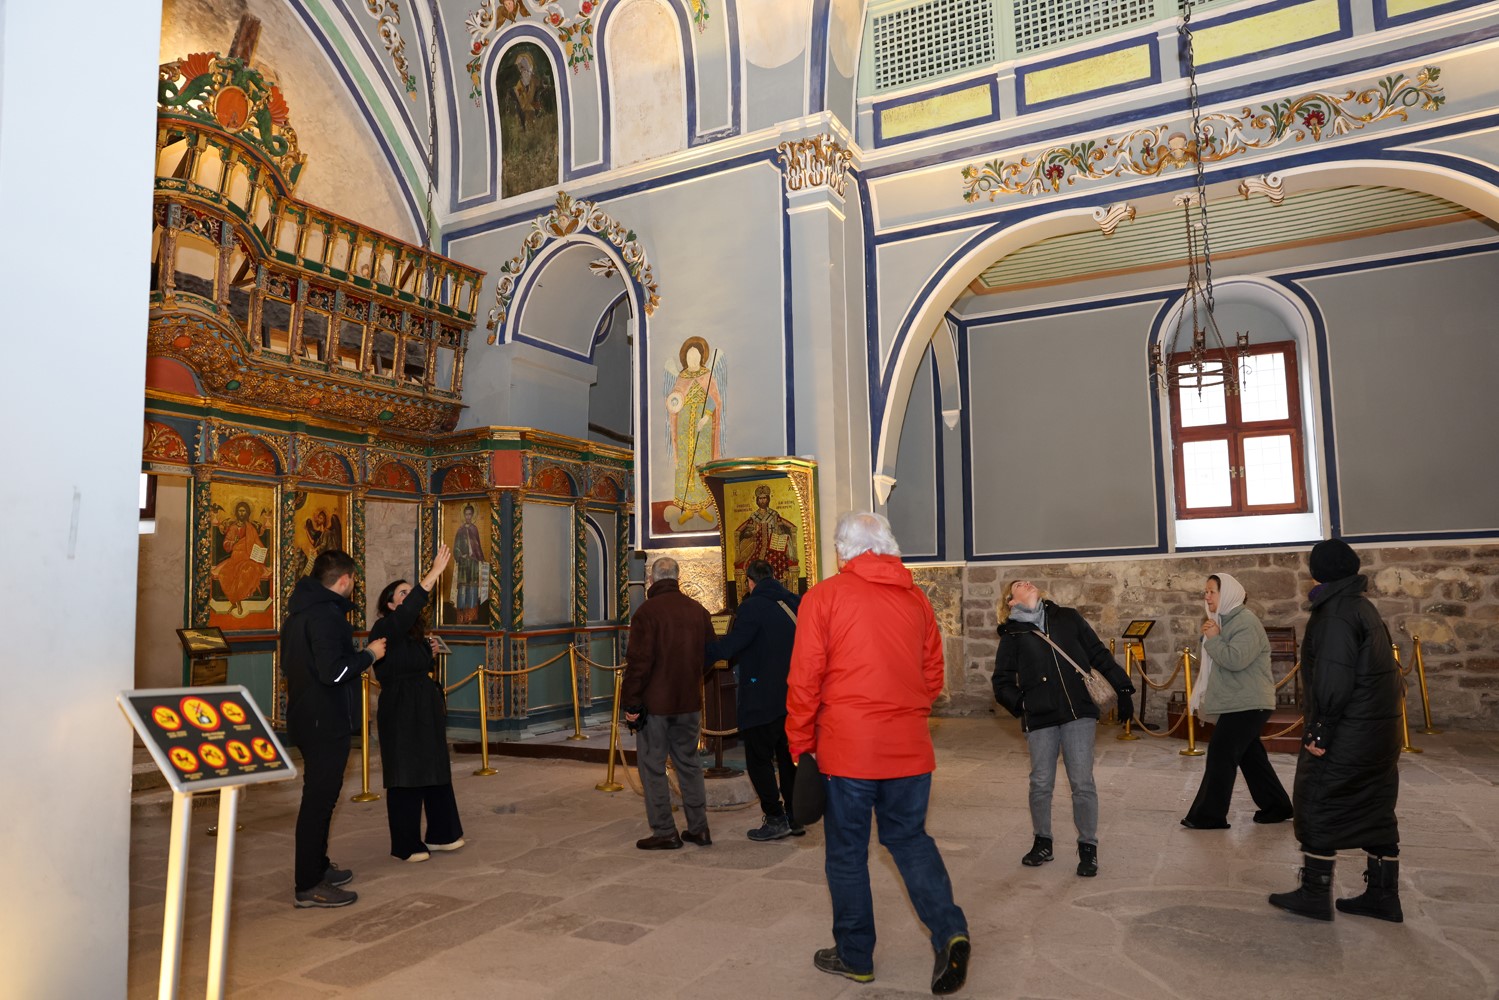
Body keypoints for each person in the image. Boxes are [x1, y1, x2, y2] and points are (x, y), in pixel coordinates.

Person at [786, 512, 970, 995]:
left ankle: (855, 956)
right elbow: (934, 673)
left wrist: (800, 740)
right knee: (910, 840)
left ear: (842, 552)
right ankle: (950, 931)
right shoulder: (916, 599)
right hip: (909, 747)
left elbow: (805, 678)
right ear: (887, 546)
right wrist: (906, 710)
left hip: (847, 750)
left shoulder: (823, 597)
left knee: (847, 854)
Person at [1269, 538, 1404, 922]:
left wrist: (1320, 730)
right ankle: (1383, 896)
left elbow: (1333, 677)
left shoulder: (1334, 614)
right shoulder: (1361, 606)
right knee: (1375, 808)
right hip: (1377, 732)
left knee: (1318, 802)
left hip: (1348, 732)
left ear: (1319, 572)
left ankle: (1314, 894)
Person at [992, 580, 1134, 878]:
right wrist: (1023, 704)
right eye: (1018, 585)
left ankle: (1088, 846)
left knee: (1082, 782)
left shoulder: (1067, 617)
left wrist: (1123, 688)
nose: (1026, 583)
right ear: (1011, 602)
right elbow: (1001, 681)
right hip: (1040, 717)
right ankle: (1042, 841)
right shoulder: (1012, 634)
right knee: (1041, 782)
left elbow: (1097, 653)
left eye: (1027, 581)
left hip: (1077, 711)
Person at [283, 549, 387, 908]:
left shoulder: (299, 613)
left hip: (308, 717)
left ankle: (317, 866)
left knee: (321, 800)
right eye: (353, 579)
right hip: (324, 722)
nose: (353, 584)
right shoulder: (327, 617)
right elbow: (334, 672)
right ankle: (308, 883)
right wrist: (370, 655)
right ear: (345, 580)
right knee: (319, 802)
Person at [371, 543, 466, 863]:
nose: (409, 596)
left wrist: (428, 653)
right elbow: (405, 618)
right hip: (400, 708)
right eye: (403, 593)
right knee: (406, 772)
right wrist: (434, 573)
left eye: (410, 592)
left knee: (435, 766)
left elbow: (414, 661)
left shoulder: (414, 634)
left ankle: (443, 833)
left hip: (424, 704)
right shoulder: (385, 627)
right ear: (390, 604)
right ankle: (405, 843)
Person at [1180, 573, 1294, 829]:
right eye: (1206, 592)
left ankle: (1209, 816)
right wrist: (1211, 637)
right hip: (1238, 701)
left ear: (1228, 594)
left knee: (1221, 754)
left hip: (1249, 702)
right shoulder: (1221, 621)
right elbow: (1215, 657)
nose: (1207, 596)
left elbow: (1235, 660)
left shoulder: (1246, 622)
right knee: (1251, 758)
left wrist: (1214, 639)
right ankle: (1277, 806)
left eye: (1212, 591)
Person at [621, 556, 715, 850]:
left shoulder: (646, 613)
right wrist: (692, 678)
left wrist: (631, 703)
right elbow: (711, 654)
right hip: (689, 702)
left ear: (651, 579)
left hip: (656, 706)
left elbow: (639, 664)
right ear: (677, 577)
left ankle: (664, 831)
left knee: (652, 767)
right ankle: (699, 828)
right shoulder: (698, 610)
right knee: (689, 764)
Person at [707, 558, 801, 841]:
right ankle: (795, 817)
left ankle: (775, 818)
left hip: (762, 699)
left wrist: (702, 653)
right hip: (794, 697)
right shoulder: (794, 603)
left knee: (759, 760)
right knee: (788, 759)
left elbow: (733, 644)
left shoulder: (752, 606)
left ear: (749, 582)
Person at [664, 336, 723, 525]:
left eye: (696, 356)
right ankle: (688, 509)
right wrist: (674, 402)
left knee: (700, 463)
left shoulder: (707, 376)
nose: (692, 360)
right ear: (685, 359)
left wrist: (705, 417)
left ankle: (702, 506)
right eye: (689, 357)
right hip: (684, 425)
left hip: (702, 426)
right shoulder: (681, 378)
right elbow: (675, 400)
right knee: (685, 464)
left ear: (702, 358)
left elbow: (714, 400)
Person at [732, 484, 800, 596]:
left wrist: (782, 533)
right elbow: (745, 532)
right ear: (757, 500)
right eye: (760, 498)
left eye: (764, 498)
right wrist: (753, 532)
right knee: (752, 563)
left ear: (768, 499)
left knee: (775, 560)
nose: (762, 501)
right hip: (756, 547)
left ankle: (776, 592)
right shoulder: (754, 516)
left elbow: (785, 526)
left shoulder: (774, 514)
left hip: (773, 547)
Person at [212, 499, 272, 615]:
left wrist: (263, 552)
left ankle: (237, 602)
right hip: (235, 558)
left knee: (244, 572)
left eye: (244, 511)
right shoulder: (233, 528)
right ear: (236, 513)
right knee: (224, 574)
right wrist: (233, 542)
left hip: (248, 558)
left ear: (247, 513)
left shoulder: (251, 528)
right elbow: (226, 544)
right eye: (239, 511)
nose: (241, 513)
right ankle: (235, 602)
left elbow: (257, 543)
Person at [452, 503, 485, 624]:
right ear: (464, 515)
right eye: (466, 514)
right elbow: (456, 547)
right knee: (462, 588)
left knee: (472, 587)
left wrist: (481, 559)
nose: (468, 516)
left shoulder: (474, 529)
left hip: (473, 564)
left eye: (470, 514)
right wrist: (461, 555)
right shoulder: (460, 530)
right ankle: (461, 617)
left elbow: (477, 546)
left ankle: (470, 617)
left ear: (472, 515)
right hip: (463, 564)